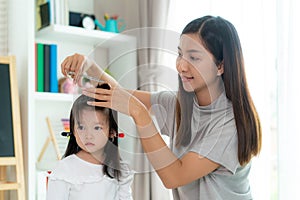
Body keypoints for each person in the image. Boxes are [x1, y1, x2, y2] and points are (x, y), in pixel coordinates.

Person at [61, 15, 262, 199]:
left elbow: (174, 176)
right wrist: (90, 67)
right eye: (180, 55)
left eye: (194, 57)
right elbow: (120, 96)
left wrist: (140, 114)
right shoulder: (179, 105)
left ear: (221, 66)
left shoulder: (230, 124)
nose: (181, 66)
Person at [46, 83, 134, 200]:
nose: (88, 135)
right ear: (73, 130)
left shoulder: (119, 170)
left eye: (97, 128)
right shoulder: (65, 169)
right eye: (81, 127)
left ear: (112, 132)